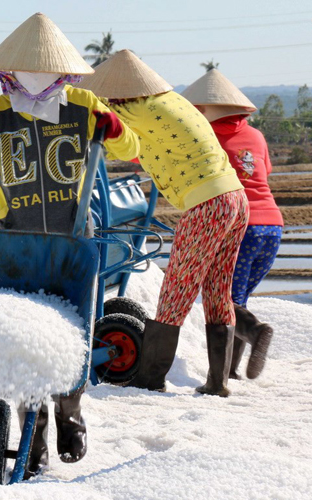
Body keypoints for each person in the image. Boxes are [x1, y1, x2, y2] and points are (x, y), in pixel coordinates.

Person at [0, 13, 139, 475]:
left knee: (73, 332)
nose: (36, 81)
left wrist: (118, 129)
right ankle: (34, 431)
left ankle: (69, 413)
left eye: (45, 73)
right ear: (9, 72)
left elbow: (130, 148)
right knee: (25, 339)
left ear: (62, 72)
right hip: (13, 242)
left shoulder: (83, 105)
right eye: (27, 73)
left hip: (71, 240)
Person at [78, 50, 249, 398]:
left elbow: (110, 135)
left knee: (176, 289)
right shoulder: (174, 102)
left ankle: (150, 378)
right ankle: (218, 382)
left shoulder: (135, 110)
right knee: (217, 289)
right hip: (235, 197)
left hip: (207, 203)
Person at [182, 69, 279, 380]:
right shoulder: (258, 136)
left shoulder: (207, 136)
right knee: (237, 299)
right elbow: (265, 173)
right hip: (272, 227)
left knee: (223, 300)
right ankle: (232, 370)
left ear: (204, 110)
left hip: (239, 224)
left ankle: (257, 331)